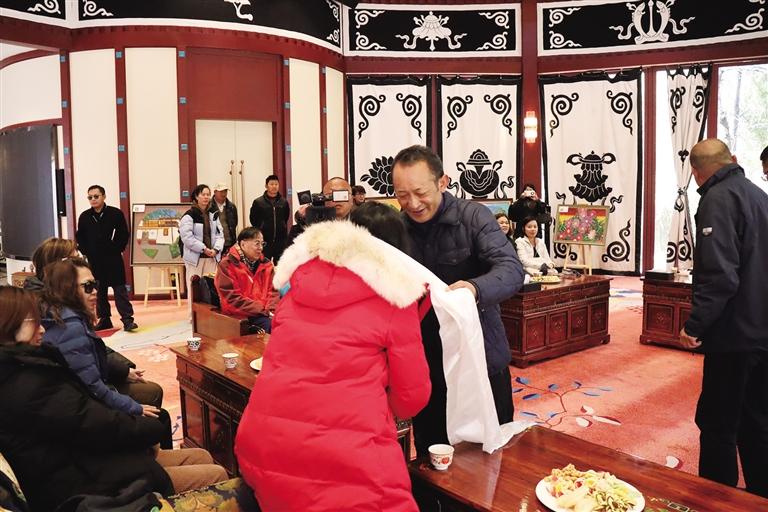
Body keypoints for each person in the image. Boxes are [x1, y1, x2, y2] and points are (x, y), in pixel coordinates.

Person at [235, 203, 431, 511]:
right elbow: (411, 399)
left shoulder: (298, 284)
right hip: (344, 461)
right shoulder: (396, 297)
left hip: (262, 448)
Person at [0, 286, 228, 511]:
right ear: (8, 325)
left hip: (87, 462)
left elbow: (89, 400)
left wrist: (124, 373)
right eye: (87, 286)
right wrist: (146, 425)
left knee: (200, 454)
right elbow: (93, 418)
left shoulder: (29, 365)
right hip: (84, 487)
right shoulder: (29, 382)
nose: (95, 292)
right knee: (215, 473)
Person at [391, 144, 524, 456]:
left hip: (479, 357)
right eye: (402, 195)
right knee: (432, 452)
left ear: (442, 182)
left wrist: (473, 289)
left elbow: (511, 269)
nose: (412, 203)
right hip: (426, 362)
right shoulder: (398, 228)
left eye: (420, 192)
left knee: (490, 451)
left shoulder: (473, 217)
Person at [678, 138, 768, 498]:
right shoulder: (758, 195)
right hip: (761, 329)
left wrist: (695, 324)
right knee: (756, 419)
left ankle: (715, 500)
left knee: (717, 422)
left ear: (696, 173)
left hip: (733, 334)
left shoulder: (717, 199)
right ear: (733, 159)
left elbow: (720, 276)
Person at [24, 238, 164, 409]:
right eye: (74, 259)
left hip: (80, 390)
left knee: (149, 391)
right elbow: (90, 385)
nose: (95, 291)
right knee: (152, 395)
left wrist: (123, 370)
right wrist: (131, 407)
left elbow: (89, 349)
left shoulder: (55, 303)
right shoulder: (61, 316)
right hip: (79, 399)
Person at [75, 185, 137, 331]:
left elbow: (123, 234)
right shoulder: (84, 216)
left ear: (104, 196)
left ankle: (127, 319)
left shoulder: (115, 214)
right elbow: (80, 237)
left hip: (113, 258)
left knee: (119, 289)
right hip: (94, 259)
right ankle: (104, 319)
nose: (93, 199)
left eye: (96, 196)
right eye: (90, 197)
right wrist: (86, 251)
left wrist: (116, 248)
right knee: (99, 290)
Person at [215, 227, 277, 334]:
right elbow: (232, 297)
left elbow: (273, 291)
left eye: (262, 244)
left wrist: (271, 309)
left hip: (264, 313)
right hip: (240, 315)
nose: (261, 248)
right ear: (243, 244)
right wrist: (262, 310)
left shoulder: (266, 264)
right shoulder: (227, 264)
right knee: (274, 328)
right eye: (257, 244)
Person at [180, 184, 224, 296]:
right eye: (203, 194)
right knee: (194, 290)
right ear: (196, 196)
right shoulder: (189, 215)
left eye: (208, 194)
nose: (206, 197)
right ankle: (192, 309)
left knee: (211, 290)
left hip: (211, 257)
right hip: (195, 259)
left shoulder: (213, 214)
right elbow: (187, 238)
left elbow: (220, 235)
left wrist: (216, 249)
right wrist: (203, 249)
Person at [249, 174, 289, 262]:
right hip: (264, 241)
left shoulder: (284, 202)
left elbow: (285, 218)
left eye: (276, 184)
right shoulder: (258, 202)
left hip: (280, 241)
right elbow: (253, 219)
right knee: (263, 265)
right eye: (271, 184)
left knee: (280, 265)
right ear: (266, 186)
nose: (274, 186)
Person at [210, 182, 238, 256]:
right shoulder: (208, 207)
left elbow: (234, 224)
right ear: (215, 192)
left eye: (225, 191)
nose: (223, 194)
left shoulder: (232, 206)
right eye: (221, 191)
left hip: (229, 243)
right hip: (214, 245)